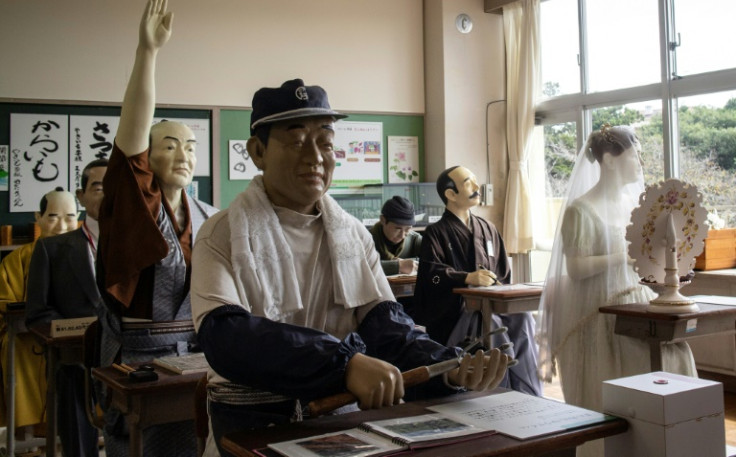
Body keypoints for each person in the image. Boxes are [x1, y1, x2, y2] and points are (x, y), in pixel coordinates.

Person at [190, 78, 510, 457]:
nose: (315, 157)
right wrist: (344, 365)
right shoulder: (222, 232)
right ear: (257, 152)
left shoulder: (351, 236)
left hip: (337, 421)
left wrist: (448, 366)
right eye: (296, 141)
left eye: (325, 142)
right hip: (250, 425)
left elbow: (386, 327)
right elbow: (227, 337)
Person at [94, 0, 217, 457]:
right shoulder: (135, 204)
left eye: (189, 145)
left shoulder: (208, 216)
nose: (182, 153)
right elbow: (128, 150)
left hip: (198, 359)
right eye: (168, 143)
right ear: (148, 154)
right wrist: (148, 53)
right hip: (140, 363)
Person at [537, 125, 696, 457]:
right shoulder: (580, 210)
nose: (639, 162)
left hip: (638, 299)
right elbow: (577, 268)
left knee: (668, 359)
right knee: (616, 382)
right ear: (609, 159)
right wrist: (623, 254)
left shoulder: (636, 209)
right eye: (633, 154)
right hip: (598, 309)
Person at [413, 165, 542, 396]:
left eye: (475, 180)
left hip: (492, 303)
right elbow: (430, 274)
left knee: (523, 318)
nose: (476, 187)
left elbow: (503, 273)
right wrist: (467, 278)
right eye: (467, 183)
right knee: (494, 325)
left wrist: (498, 286)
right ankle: (501, 391)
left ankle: (529, 391)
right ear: (450, 195)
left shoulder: (488, 228)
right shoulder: (435, 232)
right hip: (458, 312)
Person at [25, 159, 109, 457]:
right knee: (78, 444)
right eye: (99, 187)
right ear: (82, 195)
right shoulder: (52, 249)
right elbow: (37, 312)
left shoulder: (140, 247)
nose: (109, 192)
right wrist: (74, 334)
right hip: (75, 364)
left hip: (129, 362)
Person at [0, 187, 79, 434]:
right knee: (17, 351)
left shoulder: (88, 256)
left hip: (76, 335)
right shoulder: (17, 259)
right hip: (27, 337)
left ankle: (89, 426)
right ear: (39, 217)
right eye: (54, 217)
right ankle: (29, 431)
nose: (62, 225)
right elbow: (5, 300)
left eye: (70, 217)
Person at [370, 196, 422, 276]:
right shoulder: (366, 240)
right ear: (383, 220)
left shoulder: (415, 240)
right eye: (398, 228)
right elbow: (359, 267)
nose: (402, 235)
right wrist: (398, 266)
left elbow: (436, 261)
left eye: (407, 229)